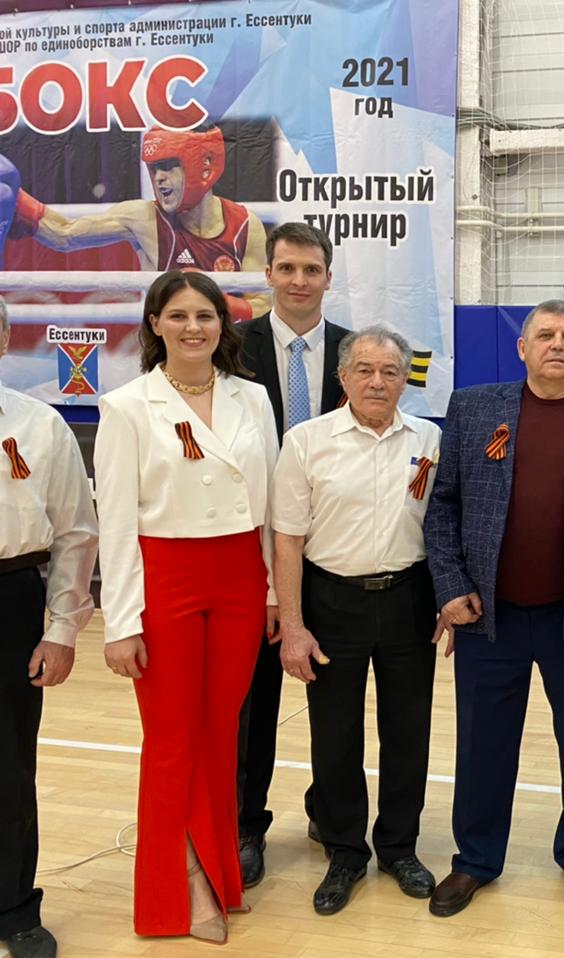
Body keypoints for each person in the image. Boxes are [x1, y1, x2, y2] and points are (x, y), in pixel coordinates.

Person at [424, 299, 564, 917]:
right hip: (486, 614)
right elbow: (442, 507)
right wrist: (450, 587)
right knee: (482, 742)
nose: (557, 344)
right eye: (545, 335)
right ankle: (475, 859)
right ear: (522, 348)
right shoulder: (474, 409)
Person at [94, 270, 278, 944]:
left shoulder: (252, 398)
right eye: (178, 315)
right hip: (166, 578)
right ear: (155, 325)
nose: (193, 327)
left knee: (220, 732)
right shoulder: (126, 407)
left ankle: (218, 871)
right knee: (172, 739)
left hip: (239, 578)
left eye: (205, 315)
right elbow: (116, 524)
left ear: (222, 325)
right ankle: (184, 884)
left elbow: (269, 504)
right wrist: (121, 624)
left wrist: (272, 591)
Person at [273, 325, 442, 916]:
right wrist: (293, 626)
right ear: (343, 377)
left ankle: (398, 847)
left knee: (408, 731)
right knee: (334, 734)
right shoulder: (305, 442)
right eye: (365, 370)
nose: (377, 381)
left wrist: (448, 599)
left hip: (408, 599)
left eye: (390, 371)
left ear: (404, 380)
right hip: (331, 602)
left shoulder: (429, 439)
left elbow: (443, 526)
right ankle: (345, 851)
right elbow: (287, 539)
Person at [235, 222, 350, 889]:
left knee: (334, 697)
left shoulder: (356, 352)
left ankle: (329, 813)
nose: (299, 280)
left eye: (311, 269)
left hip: (332, 554)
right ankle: (246, 826)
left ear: (328, 277)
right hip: (253, 549)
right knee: (253, 702)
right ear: (269, 275)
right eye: (287, 268)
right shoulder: (232, 348)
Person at [0, 298, 98, 958]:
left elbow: (75, 531)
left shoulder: (38, 424)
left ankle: (13, 909)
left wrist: (62, 627)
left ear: (6, 337)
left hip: (9, 597)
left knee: (9, 767)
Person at [5, 125, 268, 318]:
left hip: (227, 353)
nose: (159, 177)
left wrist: (213, 302)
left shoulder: (244, 226)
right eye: (154, 168)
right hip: (166, 356)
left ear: (204, 166)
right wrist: (15, 198)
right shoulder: (145, 218)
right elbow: (65, 234)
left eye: (168, 165)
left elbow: (265, 305)